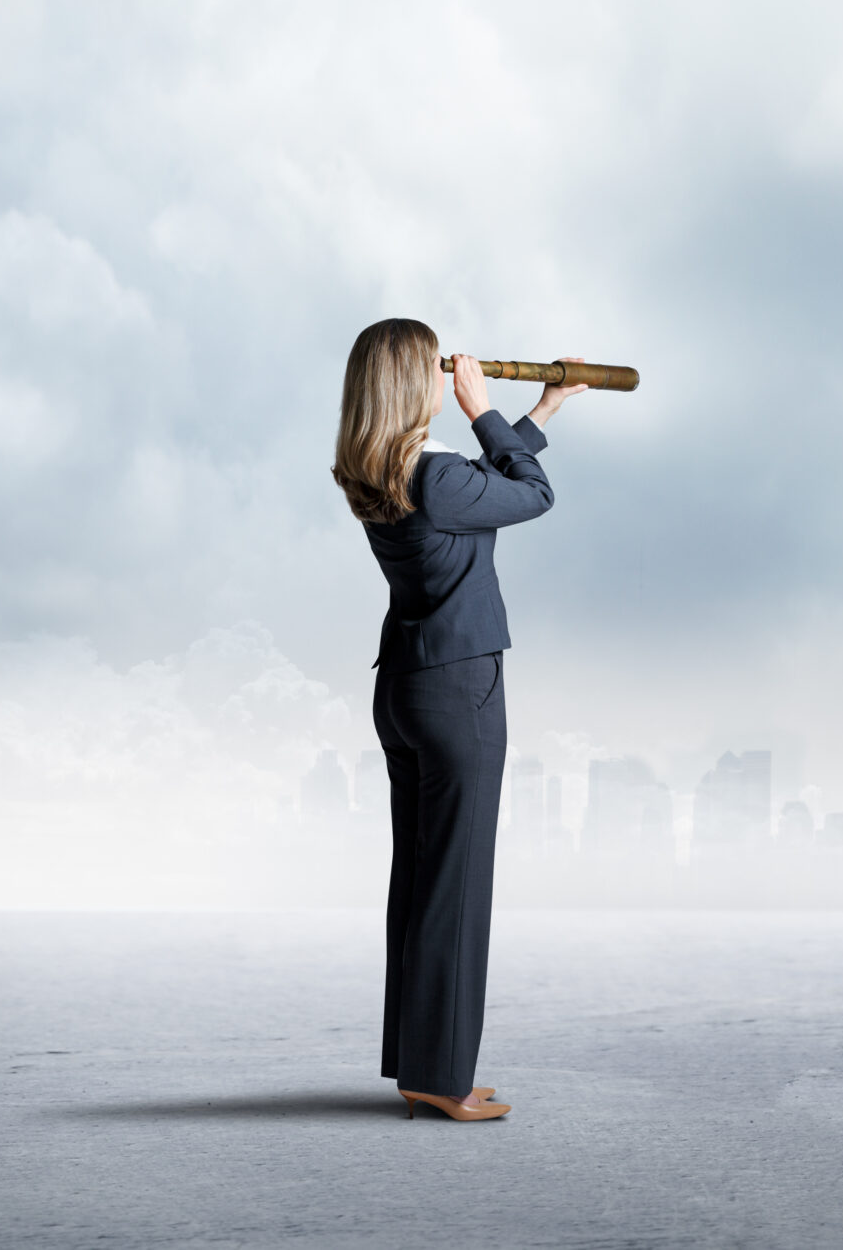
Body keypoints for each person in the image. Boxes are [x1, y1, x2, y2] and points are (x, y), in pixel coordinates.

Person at [331, 319, 586, 1122]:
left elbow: (482, 491)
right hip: (459, 690)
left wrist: (540, 414)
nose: (448, 376)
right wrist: (484, 410)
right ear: (415, 382)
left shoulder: (374, 468)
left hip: (405, 690)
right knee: (457, 886)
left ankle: (418, 1065)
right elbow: (529, 496)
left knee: (419, 883)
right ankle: (445, 1079)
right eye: (436, 369)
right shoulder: (436, 472)